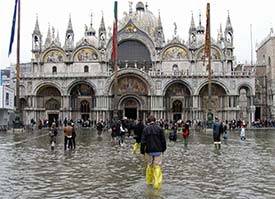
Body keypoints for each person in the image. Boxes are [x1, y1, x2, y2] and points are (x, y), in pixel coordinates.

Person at [141, 115, 167, 189]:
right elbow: (163, 141)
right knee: (157, 166)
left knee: (149, 165)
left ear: (148, 121)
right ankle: (157, 184)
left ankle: (149, 182)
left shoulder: (145, 129)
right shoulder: (159, 129)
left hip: (149, 151)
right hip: (158, 151)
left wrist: (142, 151)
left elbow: (143, 142)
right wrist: (163, 149)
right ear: (155, 120)